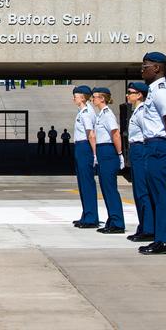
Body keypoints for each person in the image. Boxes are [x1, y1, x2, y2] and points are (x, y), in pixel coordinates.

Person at [138, 52, 166, 255]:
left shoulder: (162, 91)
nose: (142, 70)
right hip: (151, 145)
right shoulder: (153, 90)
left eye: (145, 66)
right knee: (155, 193)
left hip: (159, 145)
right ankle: (160, 237)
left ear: (156, 68)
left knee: (162, 194)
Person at [91, 88, 125, 234]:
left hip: (108, 151)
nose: (92, 99)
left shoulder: (107, 114)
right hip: (102, 150)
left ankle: (117, 223)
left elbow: (115, 134)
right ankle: (112, 220)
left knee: (110, 189)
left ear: (102, 98)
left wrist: (120, 153)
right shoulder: (100, 115)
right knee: (105, 188)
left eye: (95, 97)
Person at [125, 82, 155, 242]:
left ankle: (149, 228)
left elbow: (147, 133)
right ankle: (143, 226)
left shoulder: (143, 112)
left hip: (141, 149)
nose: (127, 95)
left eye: (130, 92)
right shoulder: (136, 111)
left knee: (143, 191)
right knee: (138, 191)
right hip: (136, 150)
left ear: (139, 95)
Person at [71, 85, 99, 229]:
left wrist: (94, 154)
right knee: (83, 183)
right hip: (80, 147)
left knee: (87, 183)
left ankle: (91, 217)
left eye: (75, 96)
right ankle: (86, 214)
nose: (73, 98)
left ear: (82, 97)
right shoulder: (82, 111)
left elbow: (91, 134)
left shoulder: (87, 112)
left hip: (85, 147)